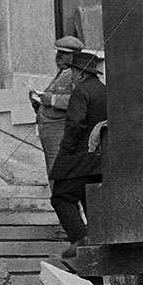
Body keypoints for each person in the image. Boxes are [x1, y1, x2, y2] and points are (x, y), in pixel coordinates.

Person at [48, 49, 107, 250]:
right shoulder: (105, 91)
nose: (71, 76)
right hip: (101, 161)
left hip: (81, 159)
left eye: (72, 72)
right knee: (90, 203)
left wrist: (65, 152)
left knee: (61, 197)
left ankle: (82, 248)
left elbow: (75, 125)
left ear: (81, 73)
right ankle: (95, 258)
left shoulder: (81, 91)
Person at [29, 37, 83, 179]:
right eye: (58, 52)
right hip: (49, 131)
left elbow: (79, 99)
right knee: (52, 169)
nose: (58, 56)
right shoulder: (62, 74)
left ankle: (61, 200)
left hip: (60, 130)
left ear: (74, 56)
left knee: (57, 170)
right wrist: (39, 103)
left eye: (64, 53)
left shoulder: (77, 75)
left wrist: (52, 99)